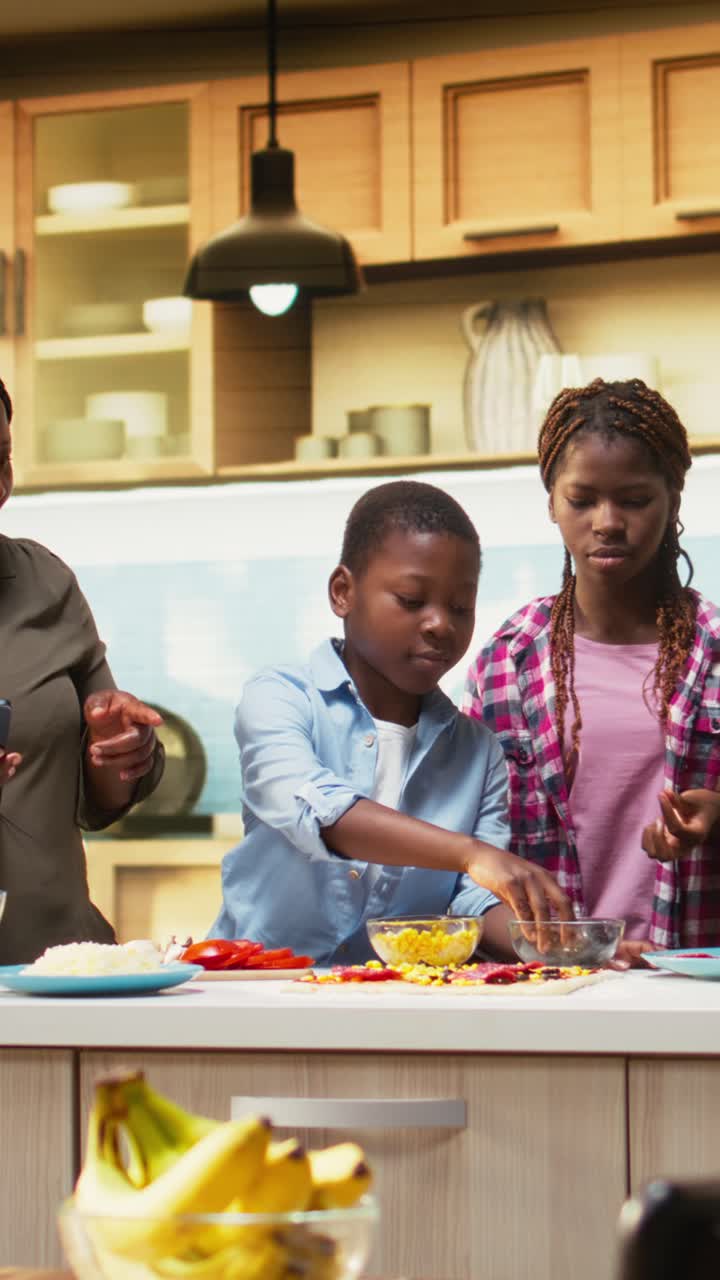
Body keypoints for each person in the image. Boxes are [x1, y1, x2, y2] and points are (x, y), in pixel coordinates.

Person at [210, 479, 571, 965]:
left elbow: (471, 902)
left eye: (460, 607)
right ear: (343, 592)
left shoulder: (477, 752)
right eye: (411, 598)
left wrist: (565, 948)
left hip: (395, 1006)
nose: (440, 623)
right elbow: (320, 812)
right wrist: (468, 853)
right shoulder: (281, 697)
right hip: (259, 990)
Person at [464, 378, 720, 961]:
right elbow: (472, 852)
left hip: (698, 984)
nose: (607, 521)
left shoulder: (716, 649)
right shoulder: (507, 660)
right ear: (552, 502)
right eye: (582, 500)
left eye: (634, 499)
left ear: (672, 499)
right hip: (556, 986)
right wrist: (550, 946)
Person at [0, 377, 165, 963]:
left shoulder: (44, 581)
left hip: (58, 967)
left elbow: (101, 798)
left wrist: (120, 748)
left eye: (0, 461)